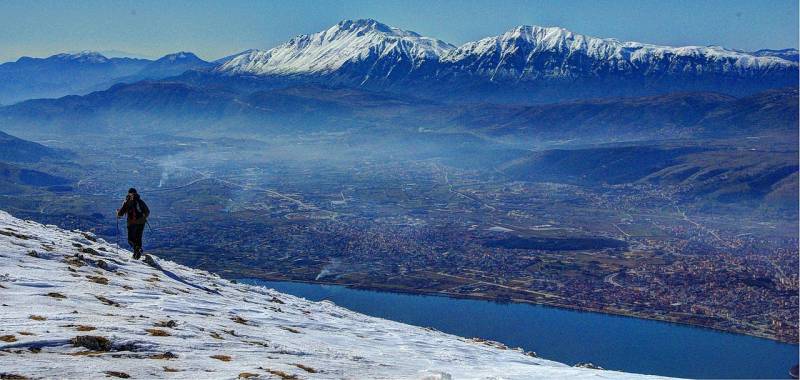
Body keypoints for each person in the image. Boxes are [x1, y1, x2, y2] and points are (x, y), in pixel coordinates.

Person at [116, 188, 150, 260]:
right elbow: (147, 211)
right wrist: (143, 217)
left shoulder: (127, 202)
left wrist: (117, 212)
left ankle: (137, 250)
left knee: (130, 239)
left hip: (131, 223)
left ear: (128, 193)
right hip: (141, 223)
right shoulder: (140, 201)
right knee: (138, 238)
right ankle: (137, 255)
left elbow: (121, 213)